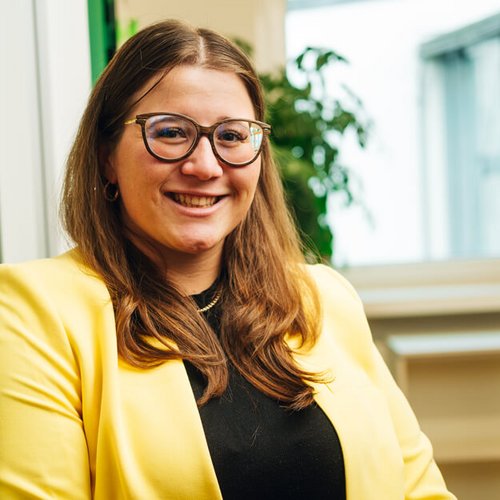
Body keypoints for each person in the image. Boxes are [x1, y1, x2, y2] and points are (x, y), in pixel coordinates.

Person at [0, 19, 455, 500]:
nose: (205, 165)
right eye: (170, 132)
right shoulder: (33, 314)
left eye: (233, 136)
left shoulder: (324, 298)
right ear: (106, 156)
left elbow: (418, 489)